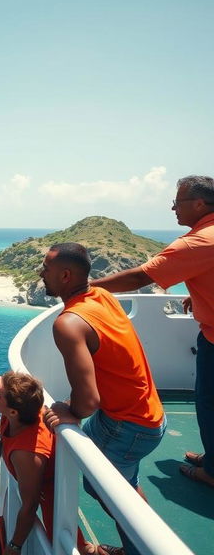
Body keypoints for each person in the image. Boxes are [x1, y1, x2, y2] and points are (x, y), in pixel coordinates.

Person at [39, 243, 166, 555]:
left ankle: (144, 549)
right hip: (150, 414)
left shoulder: (68, 323)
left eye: (46, 268)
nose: (40, 273)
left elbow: (88, 402)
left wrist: (68, 410)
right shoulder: (102, 297)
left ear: (65, 275)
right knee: (126, 487)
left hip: (127, 427)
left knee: (105, 490)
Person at [91, 175, 214, 490]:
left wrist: (86, 286)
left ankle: (212, 473)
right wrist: (199, 293)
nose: (173, 208)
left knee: (210, 404)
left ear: (199, 204)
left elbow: (140, 277)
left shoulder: (197, 241)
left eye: (178, 201)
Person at [0, 317, 93, 555]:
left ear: (12, 411)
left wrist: (14, 545)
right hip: (36, 481)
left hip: (50, 494)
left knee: (71, 546)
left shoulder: (27, 453)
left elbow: (29, 506)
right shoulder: (19, 413)